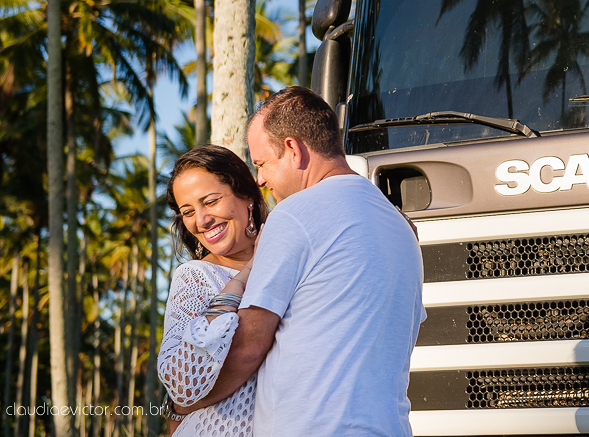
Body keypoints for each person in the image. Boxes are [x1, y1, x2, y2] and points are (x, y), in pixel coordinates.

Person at [182, 86, 424, 436]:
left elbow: (248, 347)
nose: (260, 179)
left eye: (262, 163)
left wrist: (185, 401)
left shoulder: (295, 213)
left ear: (293, 149)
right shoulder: (401, 228)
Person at [158, 144, 268, 436]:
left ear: (246, 195)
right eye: (188, 211)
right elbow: (182, 385)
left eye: (211, 201)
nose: (201, 220)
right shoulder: (195, 276)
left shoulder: (294, 253)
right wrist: (246, 274)